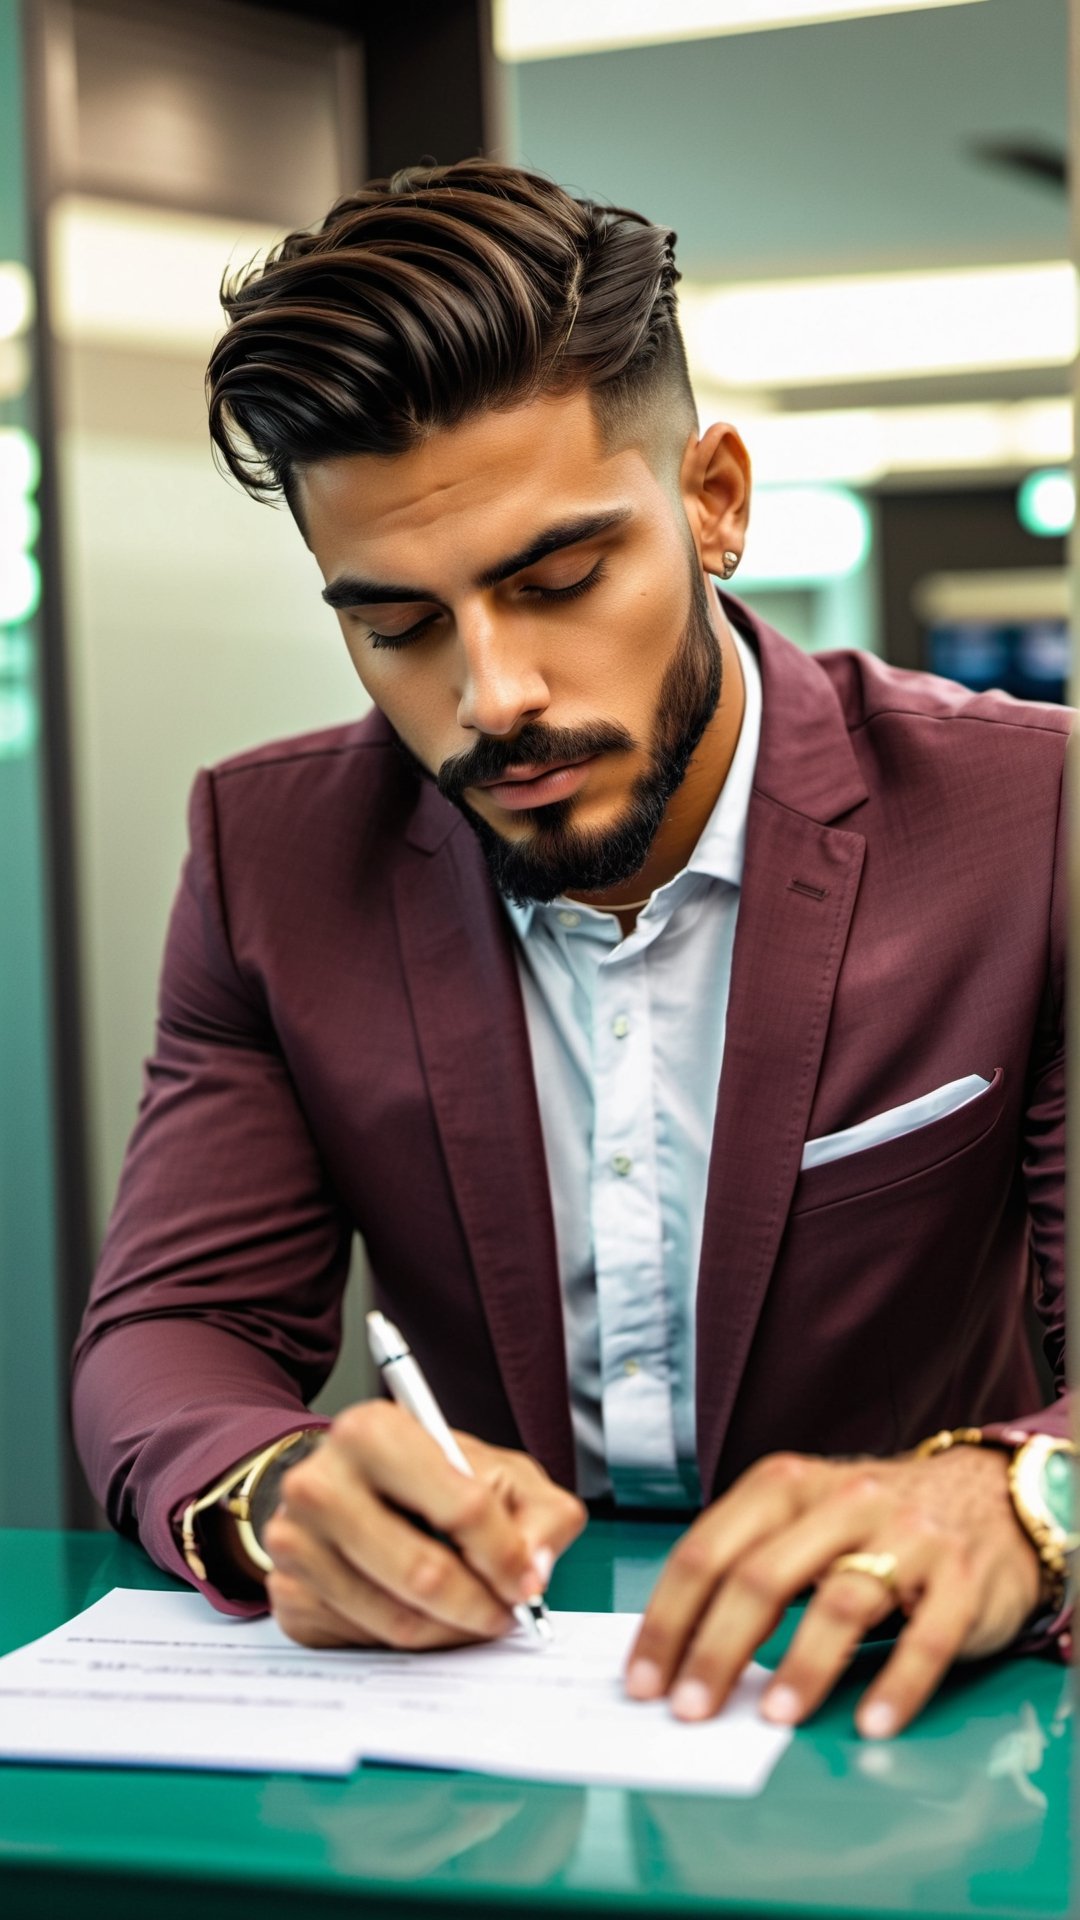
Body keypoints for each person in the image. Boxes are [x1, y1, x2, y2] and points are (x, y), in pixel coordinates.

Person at [73, 160, 1072, 1744]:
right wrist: (278, 1489)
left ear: (714, 502)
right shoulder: (271, 859)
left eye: (558, 582)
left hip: (938, 1743)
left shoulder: (1033, 820)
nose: (493, 695)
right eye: (395, 625)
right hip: (495, 1735)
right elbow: (170, 1334)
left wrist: (1020, 1505)